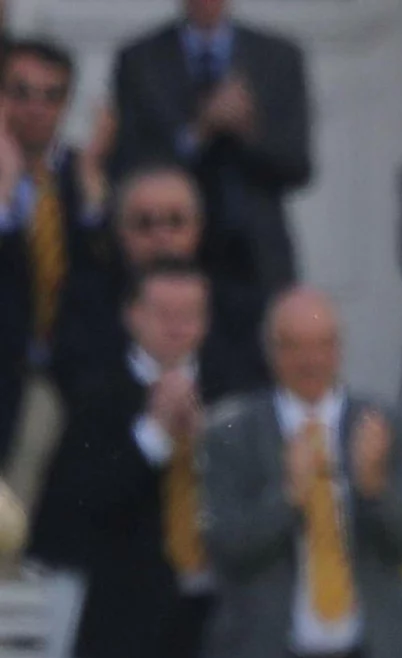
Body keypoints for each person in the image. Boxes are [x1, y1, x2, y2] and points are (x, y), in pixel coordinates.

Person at [197, 287, 402, 658]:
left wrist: (376, 489)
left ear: (339, 349)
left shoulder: (385, 424)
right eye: (294, 347)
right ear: (271, 350)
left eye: (323, 346)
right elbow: (226, 546)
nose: (311, 362)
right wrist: (287, 497)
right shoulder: (233, 433)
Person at [27, 260, 235, 658]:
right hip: (126, 621)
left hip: (219, 619)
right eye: (164, 315)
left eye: (190, 316)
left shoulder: (230, 390)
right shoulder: (96, 394)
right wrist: (151, 437)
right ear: (133, 315)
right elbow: (73, 511)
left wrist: (209, 448)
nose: (177, 328)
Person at [110, 0, 312, 298]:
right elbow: (131, 164)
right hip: (173, 252)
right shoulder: (140, 59)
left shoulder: (278, 57)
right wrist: (198, 130)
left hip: (258, 259)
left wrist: (248, 131)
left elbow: (298, 164)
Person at [0, 39, 114, 514]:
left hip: (57, 376)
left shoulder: (80, 176)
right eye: (21, 92)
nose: (35, 108)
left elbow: (106, 284)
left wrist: (92, 209)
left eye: (52, 95)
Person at [52, 163, 268, 400]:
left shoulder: (239, 309)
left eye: (175, 221)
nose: (161, 236)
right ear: (119, 229)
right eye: (144, 223)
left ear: (199, 227)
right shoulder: (85, 305)